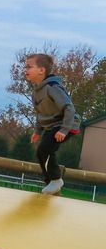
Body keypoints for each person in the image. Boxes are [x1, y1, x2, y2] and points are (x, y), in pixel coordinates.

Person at [24, 53, 81, 195]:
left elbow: (69, 108)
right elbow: (41, 114)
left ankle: (56, 179)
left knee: (45, 148)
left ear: (41, 70)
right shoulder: (36, 92)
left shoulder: (53, 87)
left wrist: (64, 129)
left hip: (66, 123)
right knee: (41, 151)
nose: (25, 69)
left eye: (29, 67)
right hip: (53, 126)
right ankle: (51, 182)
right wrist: (37, 131)